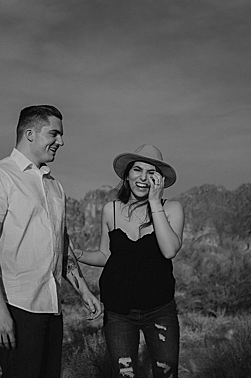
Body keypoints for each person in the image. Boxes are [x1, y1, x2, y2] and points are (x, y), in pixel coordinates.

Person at [0, 104, 103, 377]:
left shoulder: (55, 186)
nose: (61, 142)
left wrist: (85, 291)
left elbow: (61, 244)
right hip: (14, 304)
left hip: (50, 305)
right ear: (30, 133)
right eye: (54, 134)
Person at [73, 144, 185, 377]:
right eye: (137, 170)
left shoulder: (172, 209)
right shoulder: (110, 210)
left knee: (167, 375)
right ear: (127, 175)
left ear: (160, 180)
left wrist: (155, 203)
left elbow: (169, 250)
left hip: (160, 309)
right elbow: (106, 255)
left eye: (151, 172)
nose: (143, 177)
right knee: (125, 375)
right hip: (118, 312)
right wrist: (78, 254)